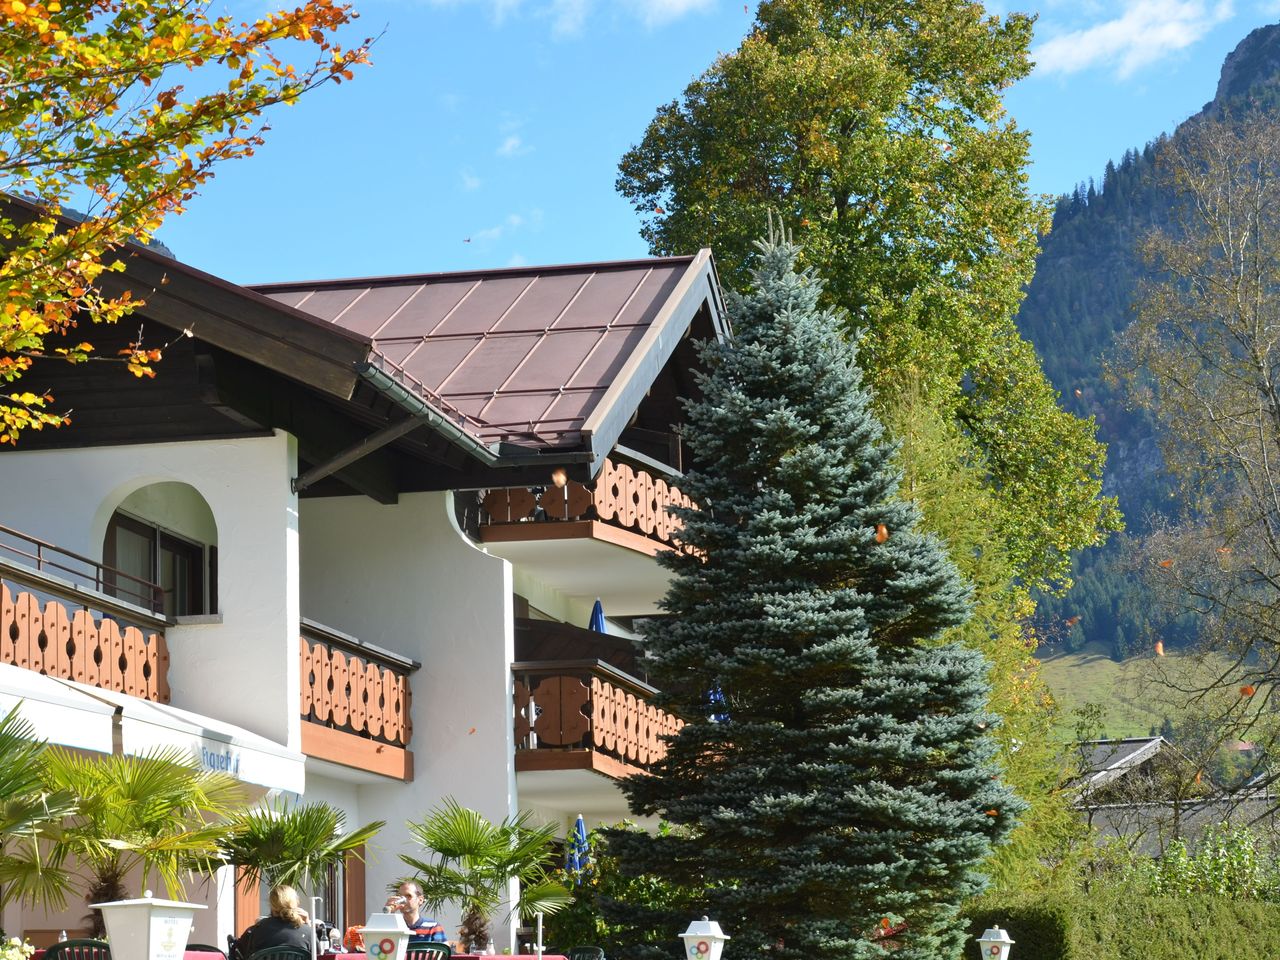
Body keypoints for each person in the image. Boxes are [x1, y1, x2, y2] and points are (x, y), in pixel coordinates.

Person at [236, 885, 312, 958]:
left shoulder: (257, 929)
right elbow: (318, 954)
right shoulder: (307, 931)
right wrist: (308, 924)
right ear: (296, 903)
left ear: (271, 905)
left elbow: (238, 951)